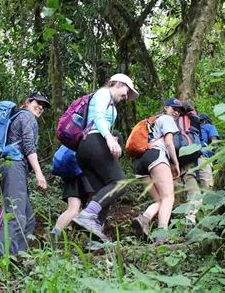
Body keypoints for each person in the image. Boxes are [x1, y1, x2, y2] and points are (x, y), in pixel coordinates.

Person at [72, 73, 139, 241]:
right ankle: (87, 215)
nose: (125, 97)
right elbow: (98, 116)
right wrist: (109, 138)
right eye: (126, 92)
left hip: (86, 149)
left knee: (106, 193)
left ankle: (94, 239)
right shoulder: (103, 93)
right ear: (117, 83)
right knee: (120, 183)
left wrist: (111, 137)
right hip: (94, 142)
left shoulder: (111, 103)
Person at [0, 91, 50, 256]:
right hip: (13, 165)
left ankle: (20, 257)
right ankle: (4, 261)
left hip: (6, 166)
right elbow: (28, 145)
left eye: (43, 106)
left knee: (28, 218)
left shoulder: (16, 117)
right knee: (16, 216)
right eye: (37, 103)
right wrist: (39, 174)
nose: (40, 107)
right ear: (27, 102)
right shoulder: (26, 116)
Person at [131, 98, 181, 245]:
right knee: (169, 197)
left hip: (140, 161)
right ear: (166, 108)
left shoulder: (150, 122)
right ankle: (162, 235)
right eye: (174, 108)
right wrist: (175, 163)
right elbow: (169, 142)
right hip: (155, 156)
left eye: (179, 110)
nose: (177, 112)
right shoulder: (166, 119)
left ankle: (144, 218)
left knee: (160, 200)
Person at [50, 146, 94, 244]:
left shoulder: (73, 139)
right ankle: (90, 241)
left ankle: (55, 233)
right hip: (82, 175)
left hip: (72, 175)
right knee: (83, 210)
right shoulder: (94, 134)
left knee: (73, 209)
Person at [198, 113, 219, 189]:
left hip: (190, 159)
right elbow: (214, 143)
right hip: (203, 157)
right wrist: (217, 159)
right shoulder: (210, 127)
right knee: (207, 186)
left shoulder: (193, 130)